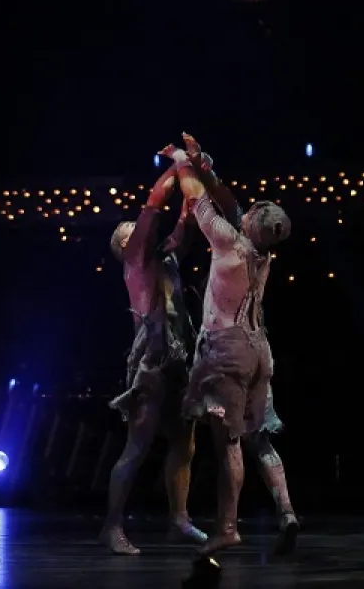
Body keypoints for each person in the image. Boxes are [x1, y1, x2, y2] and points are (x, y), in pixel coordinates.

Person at [167, 135, 296, 556]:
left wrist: (184, 163)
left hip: (228, 350)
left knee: (230, 444)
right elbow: (227, 197)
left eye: (252, 211)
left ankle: (227, 526)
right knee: (259, 439)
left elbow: (200, 199)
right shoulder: (263, 249)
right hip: (260, 350)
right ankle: (286, 510)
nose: (248, 209)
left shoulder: (228, 241)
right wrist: (206, 161)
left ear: (251, 225)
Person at [100, 160, 207, 555]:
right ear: (124, 246)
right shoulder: (135, 264)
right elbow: (153, 206)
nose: (141, 232)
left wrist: (193, 178)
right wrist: (176, 167)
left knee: (185, 443)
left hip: (178, 362)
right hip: (152, 364)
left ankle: (178, 519)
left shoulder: (165, 262)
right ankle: (111, 526)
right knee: (138, 446)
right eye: (133, 232)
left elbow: (186, 221)